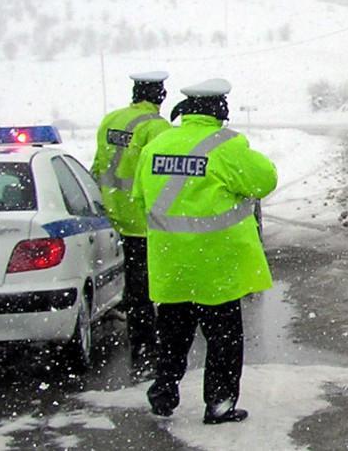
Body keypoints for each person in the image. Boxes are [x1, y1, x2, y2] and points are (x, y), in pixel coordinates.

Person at [133, 78, 277, 425]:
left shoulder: (157, 144)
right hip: (216, 266)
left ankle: (164, 392)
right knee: (223, 341)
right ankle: (219, 404)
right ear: (219, 109)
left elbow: (140, 198)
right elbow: (265, 180)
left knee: (172, 337)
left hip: (171, 264)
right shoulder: (227, 146)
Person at [91, 71, 172, 377]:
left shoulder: (110, 119)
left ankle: (140, 345)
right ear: (159, 97)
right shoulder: (157, 127)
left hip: (116, 214)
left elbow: (99, 164)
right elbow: (161, 175)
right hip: (145, 220)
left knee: (135, 285)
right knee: (154, 288)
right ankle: (150, 348)